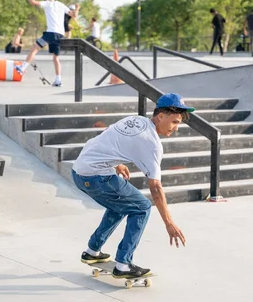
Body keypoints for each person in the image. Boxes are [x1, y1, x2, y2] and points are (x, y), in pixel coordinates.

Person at [72, 93, 190, 278]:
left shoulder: (135, 121)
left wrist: (116, 163)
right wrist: (169, 223)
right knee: (141, 208)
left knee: (121, 205)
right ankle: (123, 264)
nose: (176, 128)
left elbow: (104, 140)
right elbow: (156, 189)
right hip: (96, 176)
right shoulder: (152, 144)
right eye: (174, 122)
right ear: (161, 116)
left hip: (79, 171)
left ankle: (92, 251)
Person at [15, 0, 70, 87]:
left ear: (47, 0)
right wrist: (77, 9)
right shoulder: (61, 5)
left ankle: (23, 67)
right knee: (56, 58)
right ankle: (58, 80)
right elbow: (73, 15)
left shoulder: (47, 3)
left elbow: (33, 2)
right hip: (60, 35)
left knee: (35, 48)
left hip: (50, 33)